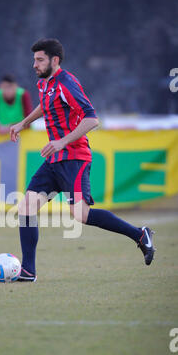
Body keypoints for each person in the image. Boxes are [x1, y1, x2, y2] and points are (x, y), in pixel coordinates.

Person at [10, 38, 155, 282]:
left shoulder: (67, 83)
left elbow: (91, 118)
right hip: (54, 159)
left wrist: (62, 141)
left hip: (74, 158)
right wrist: (24, 123)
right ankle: (28, 271)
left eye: (40, 59)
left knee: (81, 215)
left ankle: (140, 235)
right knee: (26, 208)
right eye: (34, 59)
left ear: (55, 60)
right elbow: (46, 106)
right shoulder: (45, 83)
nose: (34, 64)